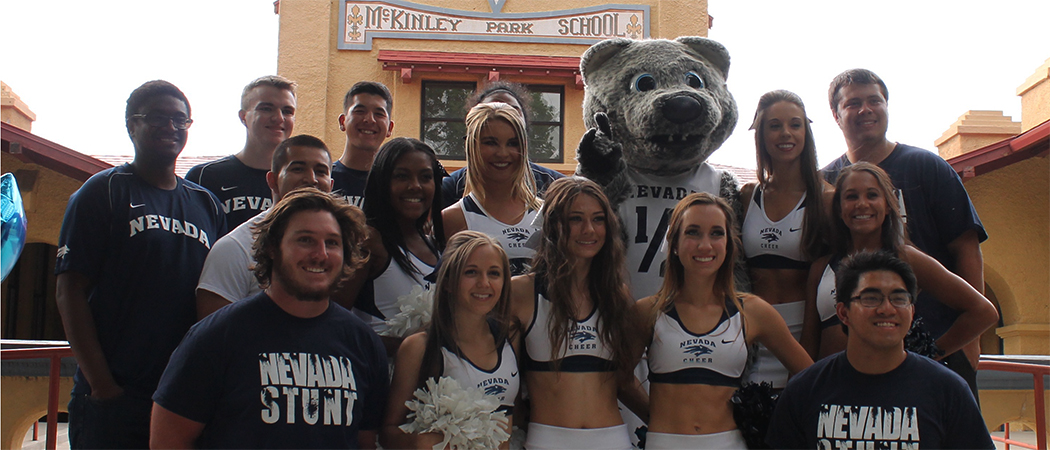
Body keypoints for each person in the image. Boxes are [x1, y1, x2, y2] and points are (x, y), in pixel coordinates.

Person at [54, 80, 226, 448]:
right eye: (157, 118)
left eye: (181, 120)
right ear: (132, 125)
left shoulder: (206, 204)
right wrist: (102, 384)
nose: (171, 127)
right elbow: (69, 288)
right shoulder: (104, 191)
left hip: (182, 392)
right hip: (117, 393)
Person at [150, 188, 389, 449]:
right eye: (305, 240)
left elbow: (365, 441)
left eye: (332, 242)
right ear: (273, 248)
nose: (320, 254)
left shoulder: (363, 343)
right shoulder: (217, 336)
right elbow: (167, 440)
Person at [821, 68, 988, 393]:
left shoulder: (926, 167)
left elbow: (966, 246)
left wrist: (966, 342)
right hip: (859, 359)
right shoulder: (825, 181)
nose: (865, 110)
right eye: (853, 103)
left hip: (938, 349)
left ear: (887, 105)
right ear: (837, 115)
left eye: (874, 101)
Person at [634, 192, 812, 449]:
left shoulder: (753, 311)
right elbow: (620, 379)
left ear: (729, 244)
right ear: (674, 243)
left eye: (716, 233)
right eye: (693, 232)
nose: (705, 245)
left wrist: (771, 420)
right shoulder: (647, 311)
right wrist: (654, 417)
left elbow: (811, 376)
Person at [767, 251, 994, 449]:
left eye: (899, 298)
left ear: (912, 311)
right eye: (871, 298)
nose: (887, 309)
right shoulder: (805, 391)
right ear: (843, 313)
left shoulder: (948, 391)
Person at [802, 163, 997, 366]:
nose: (862, 204)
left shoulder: (906, 258)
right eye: (851, 197)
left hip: (890, 389)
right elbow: (808, 342)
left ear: (888, 205)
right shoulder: (821, 267)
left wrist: (927, 356)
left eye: (872, 195)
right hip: (832, 388)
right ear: (839, 208)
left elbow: (983, 312)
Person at [510, 177, 644, 450]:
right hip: (546, 441)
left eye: (598, 219)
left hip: (613, 441)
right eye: (576, 219)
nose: (589, 230)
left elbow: (625, 381)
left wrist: (673, 428)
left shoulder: (617, 296)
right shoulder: (520, 294)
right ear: (554, 225)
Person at [381, 231, 519, 449]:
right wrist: (422, 442)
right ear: (447, 282)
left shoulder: (510, 337)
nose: (484, 283)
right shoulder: (419, 347)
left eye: (494, 273)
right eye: (471, 272)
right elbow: (387, 433)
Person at [739, 90, 831, 389]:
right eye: (774, 125)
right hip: (749, 335)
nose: (785, 133)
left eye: (795, 124)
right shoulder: (747, 196)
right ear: (761, 134)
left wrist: (810, 344)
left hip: (803, 333)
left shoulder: (827, 198)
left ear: (807, 131)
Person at [195, 134, 334, 319]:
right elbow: (213, 334)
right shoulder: (235, 248)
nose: (311, 179)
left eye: (321, 171)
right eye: (298, 169)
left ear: (331, 185)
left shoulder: (339, 248)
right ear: (272, 180)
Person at [353, 137, 444, 355]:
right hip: (382, 381)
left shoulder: (435, 244)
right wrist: (411, 347)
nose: (415, 186)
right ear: (381, 182)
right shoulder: (367, 241)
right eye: (402, 176)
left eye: (425, 177)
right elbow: (334, 323)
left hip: (430, 383)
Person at [443, 102, 542, 276]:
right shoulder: (452, 219)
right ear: (472, 146)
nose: (503, 153)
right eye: (491, 143)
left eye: (512, 143)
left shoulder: (546, 213)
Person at [186, 75, 297, 228]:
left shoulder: (304, 180)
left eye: (287, 111)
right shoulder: (204, 177)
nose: (278, 118)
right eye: (266, 108)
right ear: (243, 116)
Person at [441, 81, 564, 208]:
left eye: (513, 110)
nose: (503, 114)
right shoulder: (448, 191)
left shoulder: (554, 187)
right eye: (490, 142)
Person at [333, 81, 395, 208]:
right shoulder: (322, 178)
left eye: (379, 114)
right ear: (342, 121)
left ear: (390, 127)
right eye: (360, 111)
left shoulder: (396, 184)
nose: (369, 119)